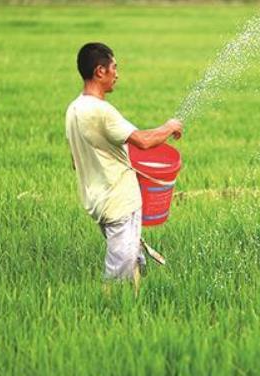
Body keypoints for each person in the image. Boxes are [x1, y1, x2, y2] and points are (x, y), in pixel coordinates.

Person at [65, 42, 182, 292]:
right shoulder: (101, 111)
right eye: (114, 68)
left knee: (133, 260)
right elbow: (144, 141)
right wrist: (170, 126)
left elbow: (76, 161)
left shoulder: (74, 109)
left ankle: (140, 303)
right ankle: (112, 313)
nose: (117, 74)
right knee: (119, 274)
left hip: (96, 200)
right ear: (100, 71)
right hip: (120, 202)